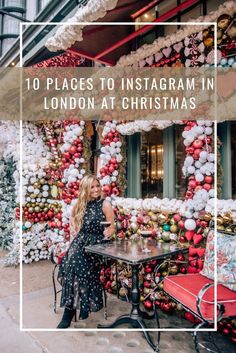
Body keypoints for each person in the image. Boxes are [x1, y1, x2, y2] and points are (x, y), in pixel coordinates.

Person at [57, 175, 115, 328]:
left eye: (98, 186)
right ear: (85, 189)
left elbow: (112, 227)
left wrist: (109, 232)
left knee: (75, 263)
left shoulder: (105, 204)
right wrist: (71, 246)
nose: (96, 189)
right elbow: (73, 230)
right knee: (72, 261)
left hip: (97, 244)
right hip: (80, 242)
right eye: (92, 187)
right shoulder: (78, 205)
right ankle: (75, 309)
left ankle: (74, 310)